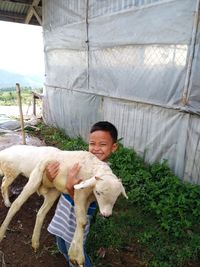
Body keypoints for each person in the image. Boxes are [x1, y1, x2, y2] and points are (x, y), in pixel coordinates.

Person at [46, 121, 118, 267]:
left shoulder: (105, 178)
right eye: (92, 143)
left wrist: (71, 188)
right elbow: (58, 182)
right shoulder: (81, 163)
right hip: (62, 215)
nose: (96, 149)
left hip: (77, 223)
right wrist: (50, 177)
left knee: (77, 257)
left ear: (114, 147)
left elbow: (87, 203)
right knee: (62, 247)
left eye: (103, 144)